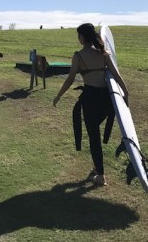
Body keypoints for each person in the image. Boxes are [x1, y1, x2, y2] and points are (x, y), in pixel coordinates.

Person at [52, 23, 129, 186]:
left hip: (90, 99)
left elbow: (70, 78)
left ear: (83, 37)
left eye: (78, 35)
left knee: (94, 137)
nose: (78, 38)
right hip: (107, 100)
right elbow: (116, 75)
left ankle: (100, 175)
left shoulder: (78, 56)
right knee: (96, 135)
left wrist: (59, 95)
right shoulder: (103, 54)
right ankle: (97, 167)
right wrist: (126, 93)